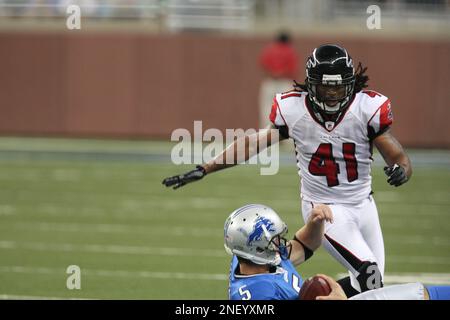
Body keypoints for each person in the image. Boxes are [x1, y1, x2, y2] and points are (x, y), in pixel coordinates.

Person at [162, 44, 413, 297]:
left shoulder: (366, 108)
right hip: (324, 209)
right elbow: (251, 144)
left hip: (364, 203)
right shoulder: (293, 109)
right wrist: (206, 168)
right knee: (369, 274)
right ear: (312, 83)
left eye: (338, 86)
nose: (333, 93)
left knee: (371, 283)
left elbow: (398, 157)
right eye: (326, 86)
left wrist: (401, 170)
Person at [224, 204, 450, 300]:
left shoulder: (251, 260)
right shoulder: (257, 294)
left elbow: (304, 245)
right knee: (418, 294)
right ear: (256, 248)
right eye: (273, 240)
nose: (280, 244)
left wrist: (316, 222)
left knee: (373, 280)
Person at [258, 31, 299, 128]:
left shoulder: (269, 50)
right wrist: (281, 73)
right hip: (285, 82)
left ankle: (267, 135)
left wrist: (273, 73)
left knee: (266, 109)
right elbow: (293, 69)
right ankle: (285, 136)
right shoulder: (290, 51)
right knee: (287, 110)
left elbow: (263, 65)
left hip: (270, 82)